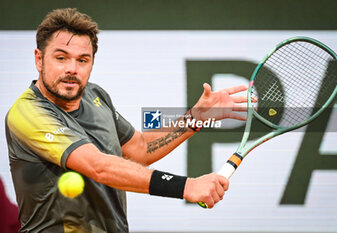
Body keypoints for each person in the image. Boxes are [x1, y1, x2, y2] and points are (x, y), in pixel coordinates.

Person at [5, 8, 248, 233]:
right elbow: (99, 167)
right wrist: (186, 186)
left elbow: (139, 149)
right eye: (61, 58)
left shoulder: (95, 95)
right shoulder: (27, 113)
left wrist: (195, 119)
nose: (72, 69)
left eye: (82, 60)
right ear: (39, 59)